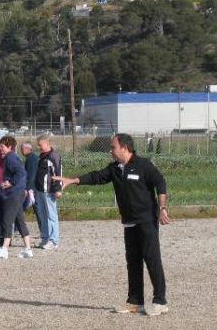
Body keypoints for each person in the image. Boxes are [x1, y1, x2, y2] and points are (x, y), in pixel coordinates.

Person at [58, 133, 171, 316]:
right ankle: (135, 301)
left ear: (124, 148)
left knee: (152, 259)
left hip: (146, 221)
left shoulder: (143, 165)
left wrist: (162, 208)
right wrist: (72, 181)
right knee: (132, 262)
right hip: (129, 222)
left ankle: (160, 301)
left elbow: (160, 183)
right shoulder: (115, 168)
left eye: (113, 147)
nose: (110, 151)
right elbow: (97, 177)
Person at [0, 135, 33, 259]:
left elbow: (21, 172)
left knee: (7, 220)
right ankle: (28, 249)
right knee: (20, 221)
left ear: (10, 147)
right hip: (17, 192)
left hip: (13, 194)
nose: (0, 148)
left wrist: (10, 182)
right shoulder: (10, 157)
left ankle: (4, 249)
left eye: (2, 146)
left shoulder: (11, 158)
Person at [34, 134, 62, 250]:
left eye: (40, 145)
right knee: (43, 215)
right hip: (40, 190)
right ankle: (45, 237)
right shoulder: (41, 156)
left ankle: (53, 240)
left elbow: (58, 173)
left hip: (49, 190)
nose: (39, 147)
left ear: (47, 143)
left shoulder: (54, 156)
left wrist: (57, 189)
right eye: (38, 145)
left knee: (51, 215)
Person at [20, 141, 39, 217]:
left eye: (22, 149)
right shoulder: (31, 157)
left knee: (37, 209)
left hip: (32, 188)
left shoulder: (31, 158)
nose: (21, 151)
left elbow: (31, 174)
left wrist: (28, 188)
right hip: (34, 187)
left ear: (27, 148)